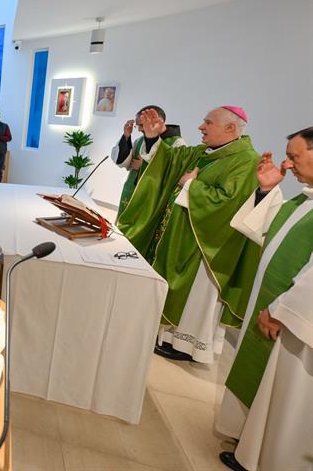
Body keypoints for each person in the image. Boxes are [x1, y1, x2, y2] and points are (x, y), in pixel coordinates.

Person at [118, 106, 261, 364]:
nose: (200, 127)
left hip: (206, 244)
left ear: (230, 128)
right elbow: (172, 159)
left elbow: (229, 201)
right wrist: (152, 138)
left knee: (195, 296)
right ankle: (168, 336)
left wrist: (191, 186)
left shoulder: (246, 160)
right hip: (180, 235)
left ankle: (188, 345)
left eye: (208, 122)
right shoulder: (203, 152)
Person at [215, 127, 313, 471]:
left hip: (295, 322)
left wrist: (281, 310)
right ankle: (254, 448)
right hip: (277, 310)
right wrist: (268, 190)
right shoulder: (305, 201)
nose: (288, 162)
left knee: (289, 396)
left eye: (295, 156)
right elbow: (262, 230)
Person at [111, 106, 185, 215]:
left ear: (159, 121)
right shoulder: (140, 140)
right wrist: (126, 136)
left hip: (153, 195)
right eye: (138, 125)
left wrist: (144, 166)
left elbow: (175, 173)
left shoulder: (177, 144)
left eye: (142, 125)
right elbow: (124, 162)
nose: (140, 129)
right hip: (132, 188)